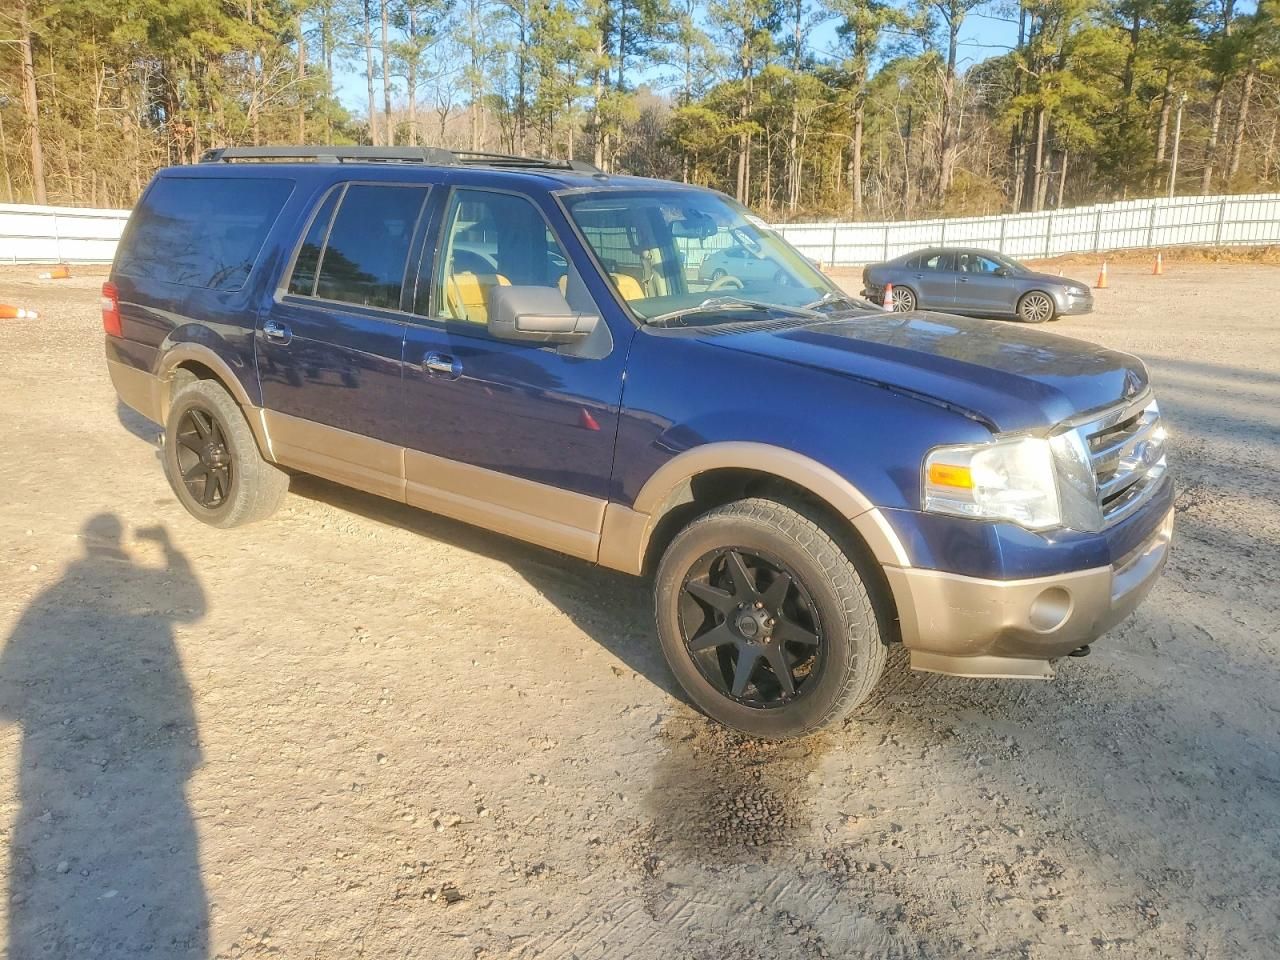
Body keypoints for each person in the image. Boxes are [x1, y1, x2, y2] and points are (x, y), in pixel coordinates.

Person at [0, 515, 208, 958]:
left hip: (47, 782)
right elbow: (194, 608)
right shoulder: (68, 595)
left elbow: (11, 700)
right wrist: (170, 550)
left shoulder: (50, 598)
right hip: (161, 774)